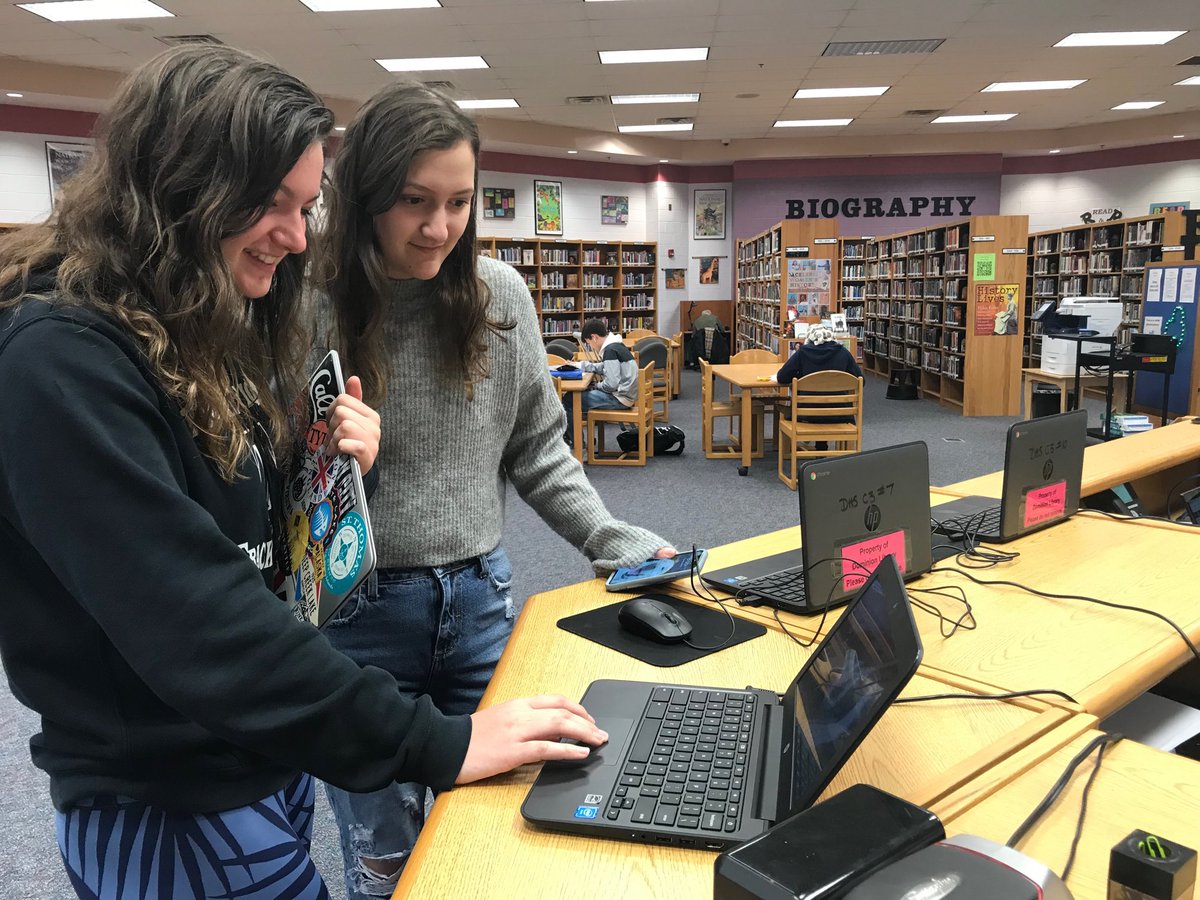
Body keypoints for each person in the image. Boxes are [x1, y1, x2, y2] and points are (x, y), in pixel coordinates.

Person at [0, 47, 605, 900]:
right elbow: (199, 618)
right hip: (169, 793)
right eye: (269, 205)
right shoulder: (59, 360)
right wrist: (442, 744)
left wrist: (326, 474)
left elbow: (249, 538)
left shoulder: (200, 321)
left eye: (305, 205)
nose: (294, 236)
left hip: (261, 755)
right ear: (181, 187)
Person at [320, 82, 674, 899]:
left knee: (504, 836)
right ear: (366, 194)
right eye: (414, 201)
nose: (439, 227)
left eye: (458, 202)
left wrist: (609, 538)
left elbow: (538, 451)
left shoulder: (497, 296)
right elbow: (271, 489)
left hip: (478, 602)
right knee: (387, 860)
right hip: (357, 617)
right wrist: (336, 467)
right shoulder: (307, 304)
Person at [565, 316, 640, 439]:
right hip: (625, 395)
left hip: (619, 399)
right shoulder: (616, 345)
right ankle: (580, 438)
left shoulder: (610, 351)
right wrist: (580, 365)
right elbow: (604, 367)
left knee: (570, 400)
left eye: (589, 344)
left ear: (594, 337)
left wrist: (595, 386)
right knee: (578, 396)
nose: (592, 347)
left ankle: (576, 443)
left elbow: (611, 384)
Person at [770, 324, 863, 385]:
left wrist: (799, 378)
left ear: (809, 338)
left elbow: (782, 377)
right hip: (840, 412)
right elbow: (861, 381)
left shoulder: (803, 352)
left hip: (807, 411)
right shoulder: (843, 352)